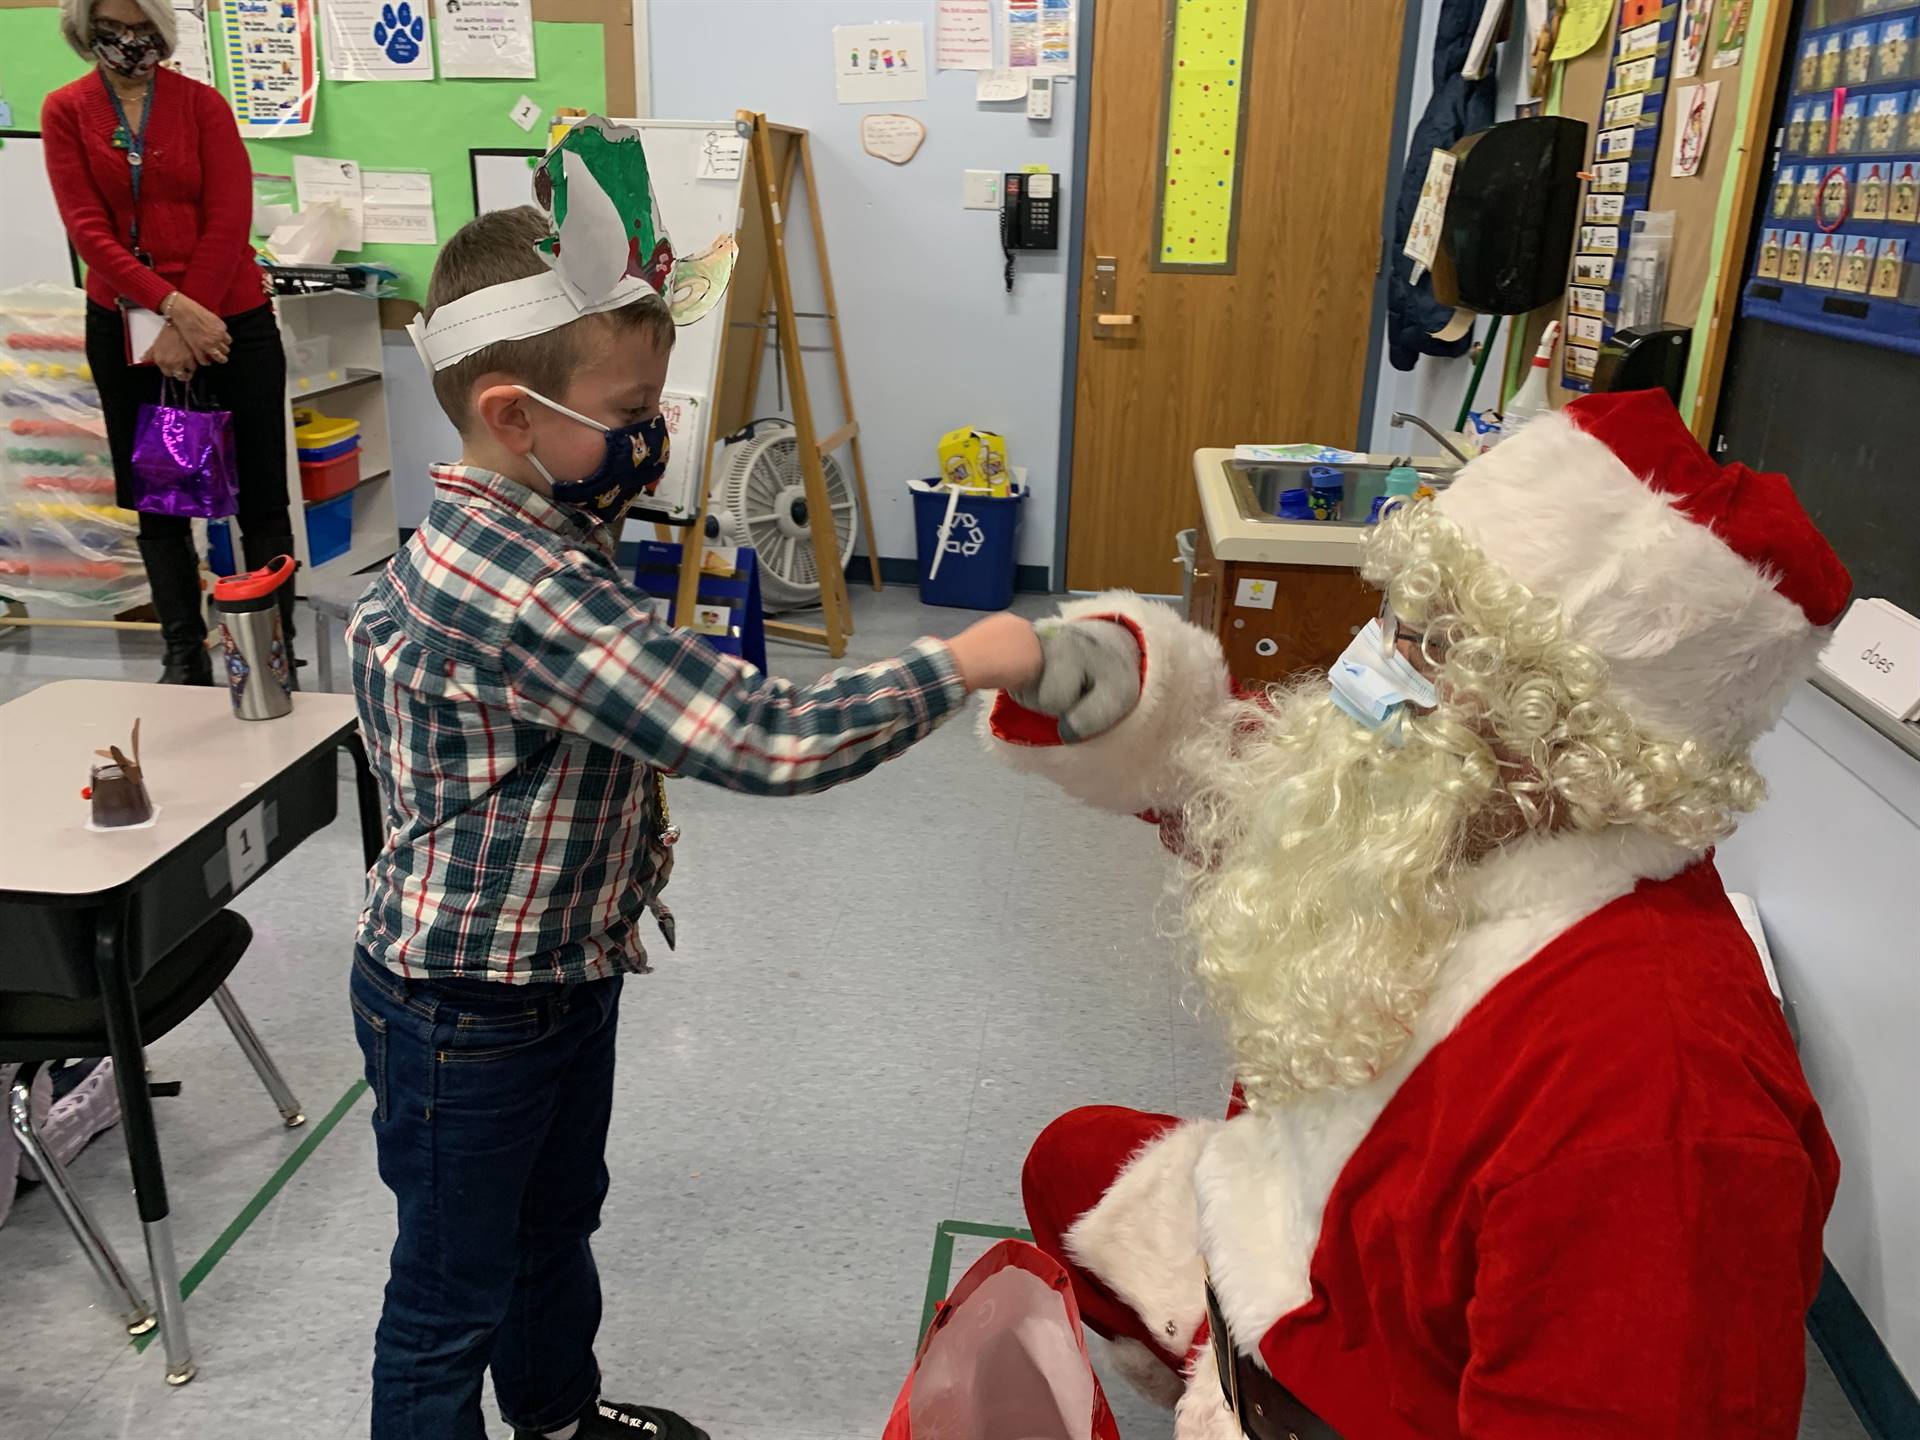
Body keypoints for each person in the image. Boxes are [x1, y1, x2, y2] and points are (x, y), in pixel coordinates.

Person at [347, 125, 1046, 1440]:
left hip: (560, 966)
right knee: (450, 1295)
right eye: (628, 419)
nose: (653, 442)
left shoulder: (539, 510)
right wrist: (961, 663)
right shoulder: (518, 582)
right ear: (512, 415)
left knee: (555, 1233)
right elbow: (764, 738)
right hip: (465, 1010)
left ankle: (556, 1419)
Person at [984, 389, 1852, 1438]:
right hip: (1306, 1261)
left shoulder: (1657, 1100)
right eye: (1399, 616)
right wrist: (1127, 699)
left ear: (1583, 746)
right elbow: (1263, 779)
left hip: (1377, 1390)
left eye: (1435, 647)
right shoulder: (1459, 810)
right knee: (1076, 1161)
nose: (1364, 668)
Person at [43, 0, 297, 684]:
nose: (131, 40)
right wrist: (169, 310)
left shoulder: (202, 106)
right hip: (130, 323)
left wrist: (192, 316)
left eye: (144, 25)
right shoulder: (66, 111)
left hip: (229, 320)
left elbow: (229, 214)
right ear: (85, 30)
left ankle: (274, 655)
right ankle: (184, 659)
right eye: (115, 27)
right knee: (161, 503)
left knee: (262, 499)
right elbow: (87, 230)